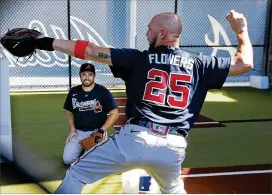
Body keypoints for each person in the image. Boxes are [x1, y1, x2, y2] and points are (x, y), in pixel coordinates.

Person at [12, 10, 253, 193]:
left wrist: (43, 42)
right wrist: (241, 30)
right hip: (173, 148)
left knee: (76, 174)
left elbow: (91, 51)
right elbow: (245, 64)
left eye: (149, 29)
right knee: (173, 190)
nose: (146, 33)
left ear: (162, 34)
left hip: (135, 140)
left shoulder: (137, 59)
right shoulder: (201, 64)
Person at [62, 63, 119, 165]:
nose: (87, 77)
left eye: (90, 74)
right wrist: (72, 129)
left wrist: (102, 131)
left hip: (96, 131)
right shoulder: (74, 92)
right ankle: (84, 149)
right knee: (68, 160)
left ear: (94, 76)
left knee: (95, 161)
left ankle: (93, 147)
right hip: (78, 132)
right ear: (80, 76)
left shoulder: (103, 92)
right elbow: (69, 111)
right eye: (84, 74)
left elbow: (114, 113)